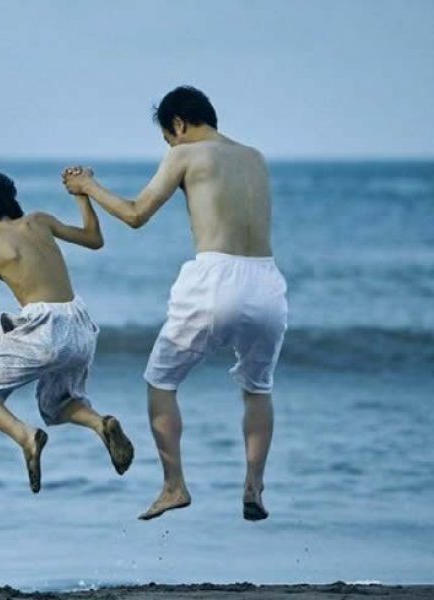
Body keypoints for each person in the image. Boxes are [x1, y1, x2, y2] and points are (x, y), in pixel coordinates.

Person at [62, 85, 287, 522]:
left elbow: (135, 214)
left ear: (179, 124)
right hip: (267, 284)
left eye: (167, 137)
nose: (170, 145)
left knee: (161, 381)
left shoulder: (185, 153)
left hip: (215, 279)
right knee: (258, 389)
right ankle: (254, 487)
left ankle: (173, 486)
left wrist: (87, 185)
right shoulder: (255, 157)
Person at [0, 165, 134, 495]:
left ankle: (25, 436)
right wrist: (81, 196)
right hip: (80, 328)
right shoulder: (40, 220)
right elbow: (94, 239)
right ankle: (100, 423)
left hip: (44, 331)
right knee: (58, 404)